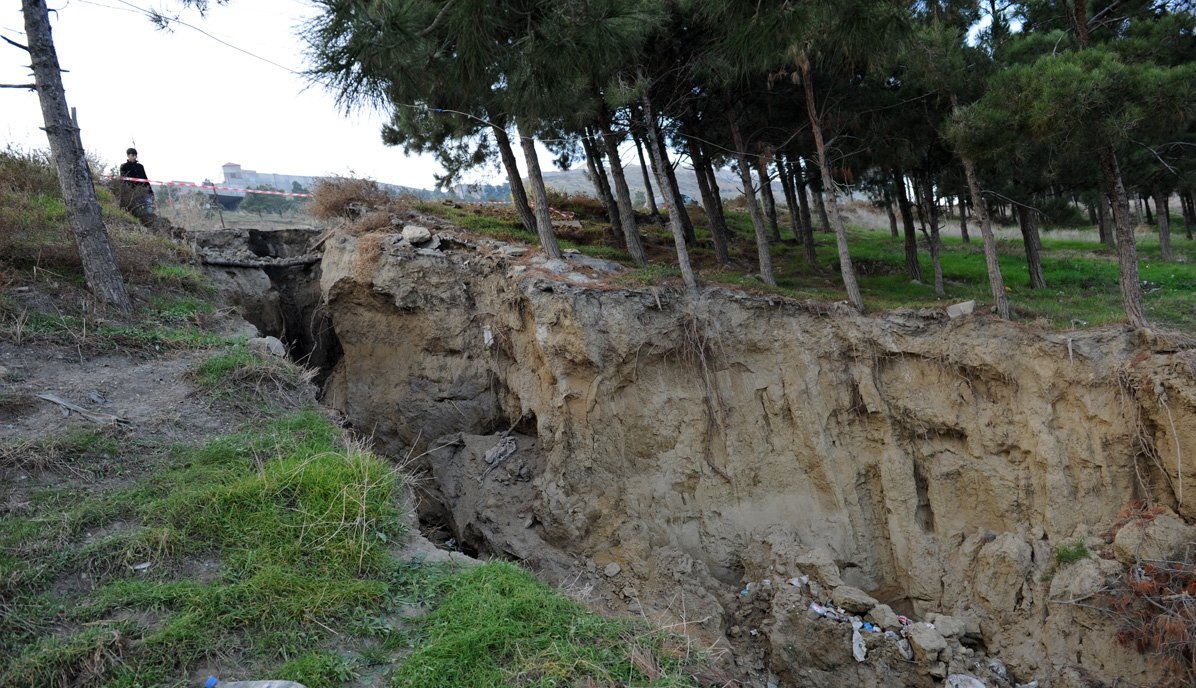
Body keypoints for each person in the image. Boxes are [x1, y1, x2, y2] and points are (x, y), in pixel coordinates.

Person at [118, 147, 154, 218]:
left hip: (145, 190)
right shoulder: (124, 166)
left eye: (135, 155)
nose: (134, 157)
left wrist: (150, 191)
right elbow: (123, 180)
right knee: (137, 210)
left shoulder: (140, 166)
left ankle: (150, 221)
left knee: (149, 209)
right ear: (128, 155)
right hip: (133, 192)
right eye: (132, 155)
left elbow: (145, 178)